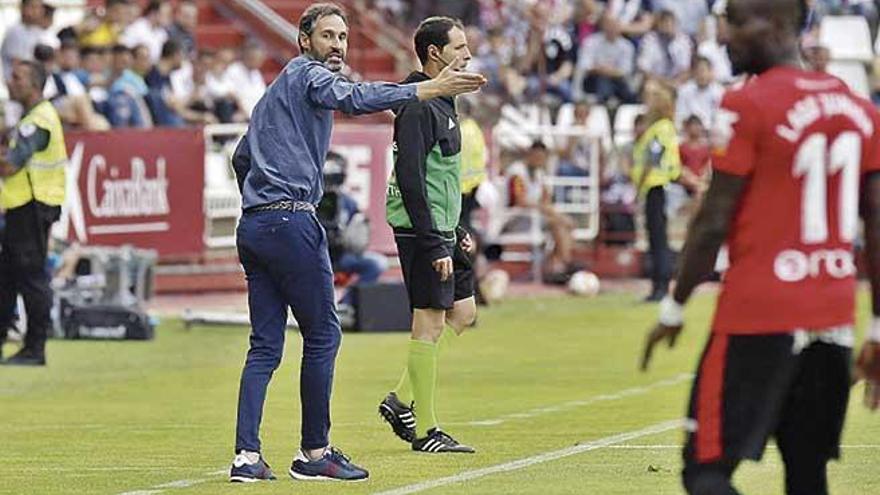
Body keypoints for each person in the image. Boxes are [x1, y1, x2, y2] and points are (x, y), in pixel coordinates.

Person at [227, 2, 484, 483]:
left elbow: (242, 158)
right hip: (291, 220)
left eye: (343, 37)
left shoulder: (274, 93)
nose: (337, 46)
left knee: (264, 345)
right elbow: (356, 96)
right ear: (304, 40)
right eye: (327, 36)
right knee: (323, 335)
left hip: (255, 225)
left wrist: (260, 200)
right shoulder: (308, 76)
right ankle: (314, 452)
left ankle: (245, 457)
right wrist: (426, 89)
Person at [640, 1, 880, 494]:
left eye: (737, 21)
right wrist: (877, 325)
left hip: (757, 317)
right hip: (832, 322)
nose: (725, 36)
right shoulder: (858, 108)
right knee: (808, 475)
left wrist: (674, 306)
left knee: (706, 472)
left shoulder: (748, 103)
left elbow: (711, 222)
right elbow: (876, 223)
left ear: (779, 24)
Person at [378, 16, 479, 454]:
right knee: (429, 322)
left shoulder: (443, 101)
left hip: (441, 227)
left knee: (464, 313)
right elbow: (412, 177)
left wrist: (455, 229)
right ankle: (426, 430)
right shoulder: (418, 104)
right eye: (459, 47)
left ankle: (400, 399)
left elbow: (438, 176)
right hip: (423, 232)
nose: (468, 55)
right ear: (434, 54)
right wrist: (434, 240)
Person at [0, 60, 67, 366]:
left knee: (30, 277)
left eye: (17, 78)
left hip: (31, 207)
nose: (10, 82)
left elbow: (11, 165)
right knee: (9, 276)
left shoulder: (36, 121)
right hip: (25, 206)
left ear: (35, 85)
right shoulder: (35, 117)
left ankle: (35, 347)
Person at [631, 79, 680, 302]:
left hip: (655, 186)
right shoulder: (664, 127)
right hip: (656, 185)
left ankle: (660, 286)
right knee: (656, 237)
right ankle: (658, 285)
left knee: (658, 238)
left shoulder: (660, 128)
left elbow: (653, 157)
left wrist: (639, 185)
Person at [317, 151, 387, 308]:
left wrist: (349, 238)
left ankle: (347, 305)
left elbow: (358, 234)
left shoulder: (347, 202)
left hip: (340, 254)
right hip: (312, 253)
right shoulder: (308, 199)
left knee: (376, 263)